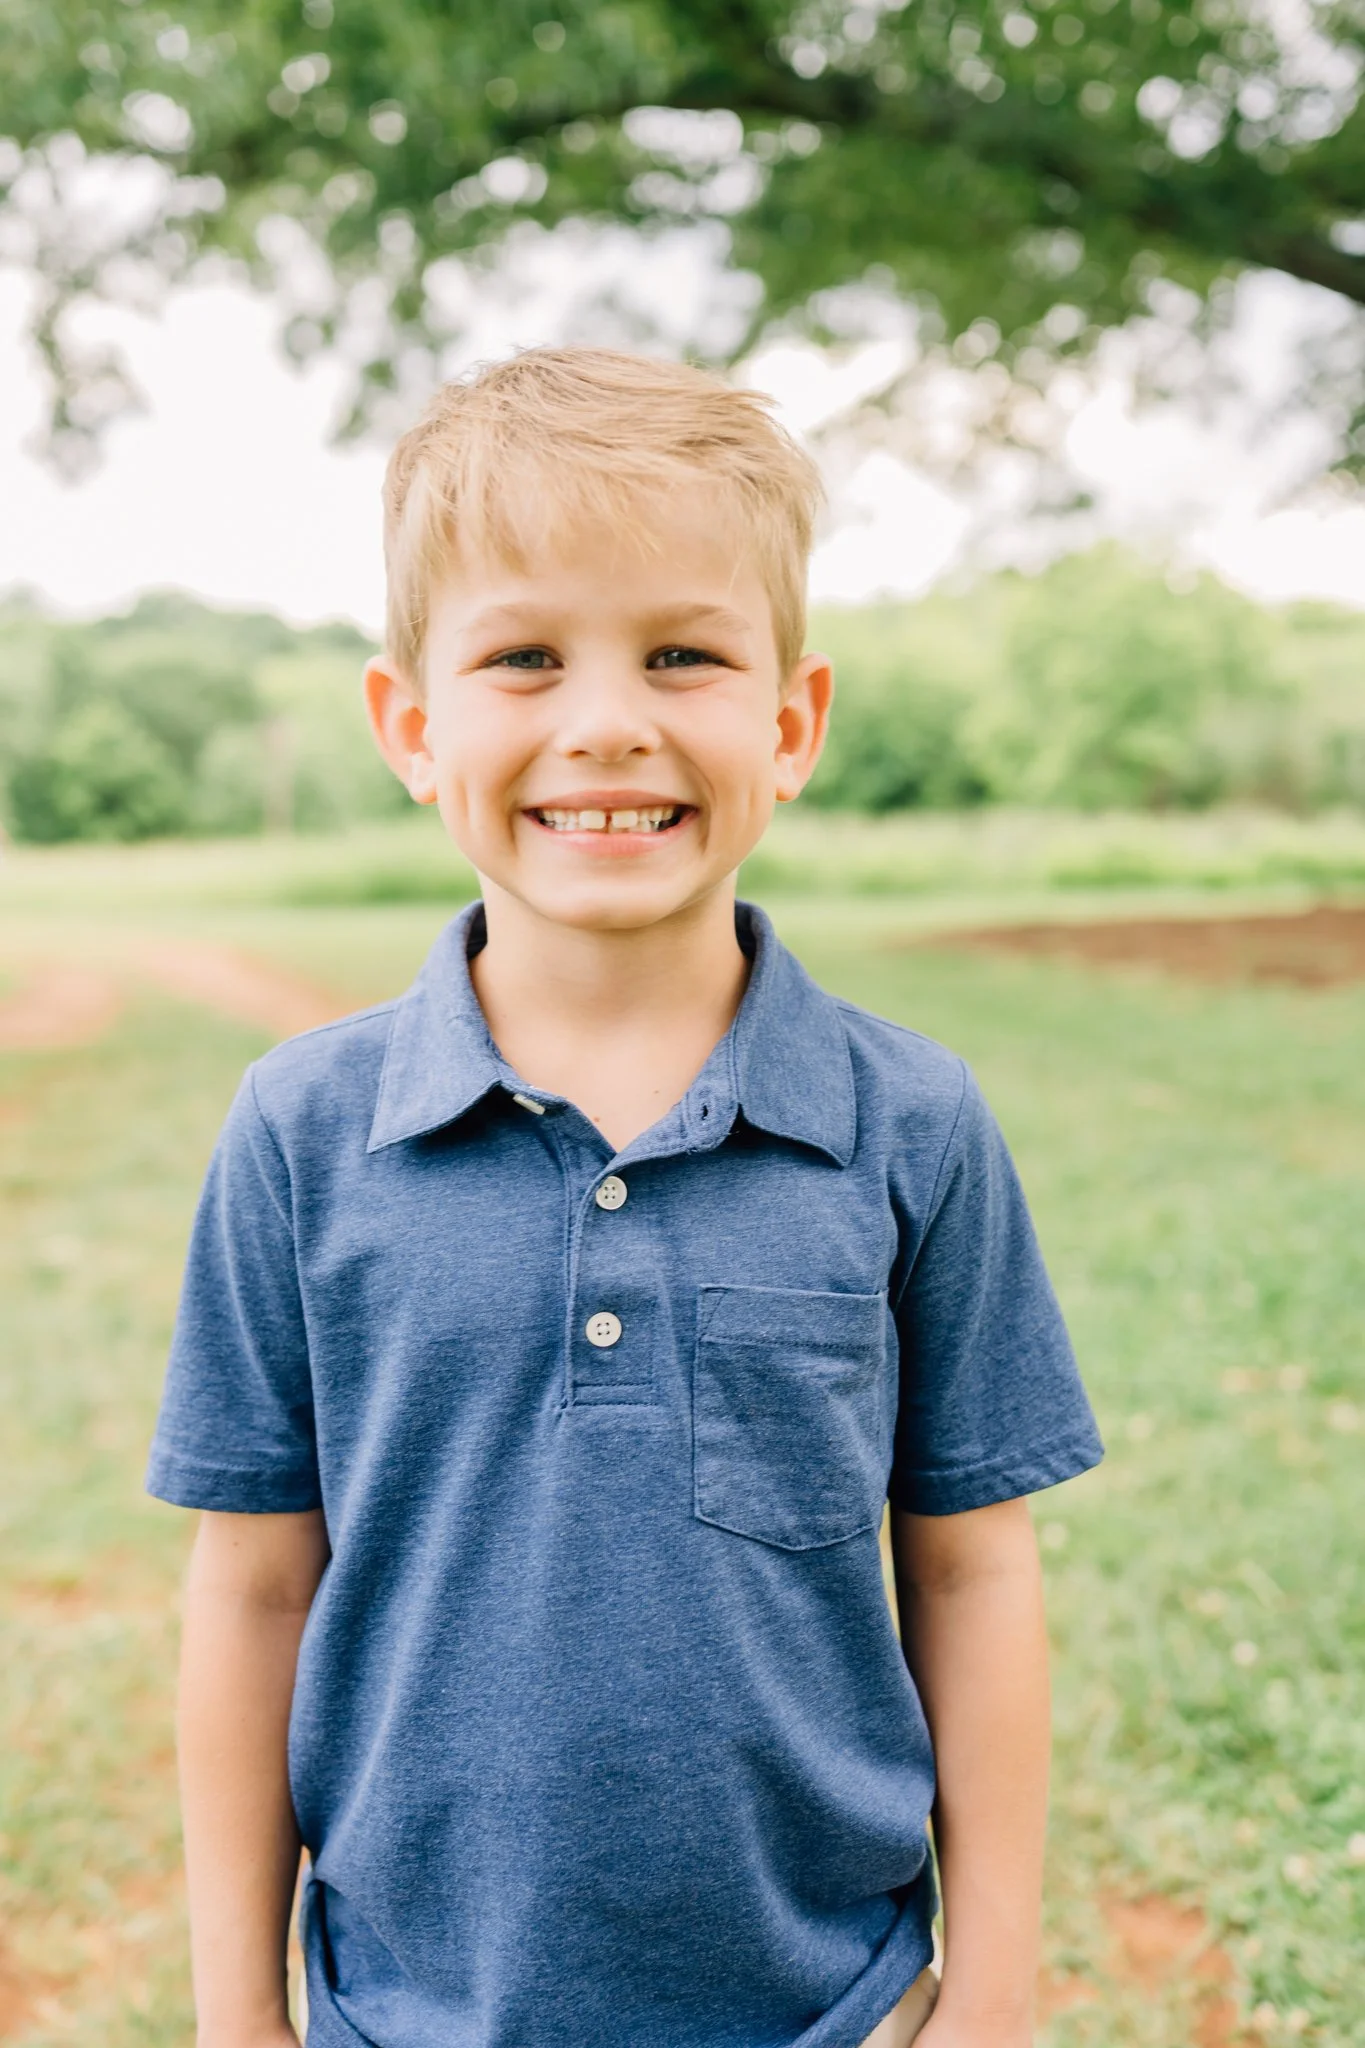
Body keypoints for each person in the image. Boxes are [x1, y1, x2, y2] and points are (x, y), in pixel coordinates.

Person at [147, 347, 1103, 2048]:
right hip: (410, 2014)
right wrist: (238, 2018)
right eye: (525, 657)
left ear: (791, 724)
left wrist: (998, 1994)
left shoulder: (911, 1123)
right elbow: (252, 1591)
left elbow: (971, 1575)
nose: (606, 720)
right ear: (412, 727)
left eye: (682, 653)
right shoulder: (300, 1132)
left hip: (837, 2010)